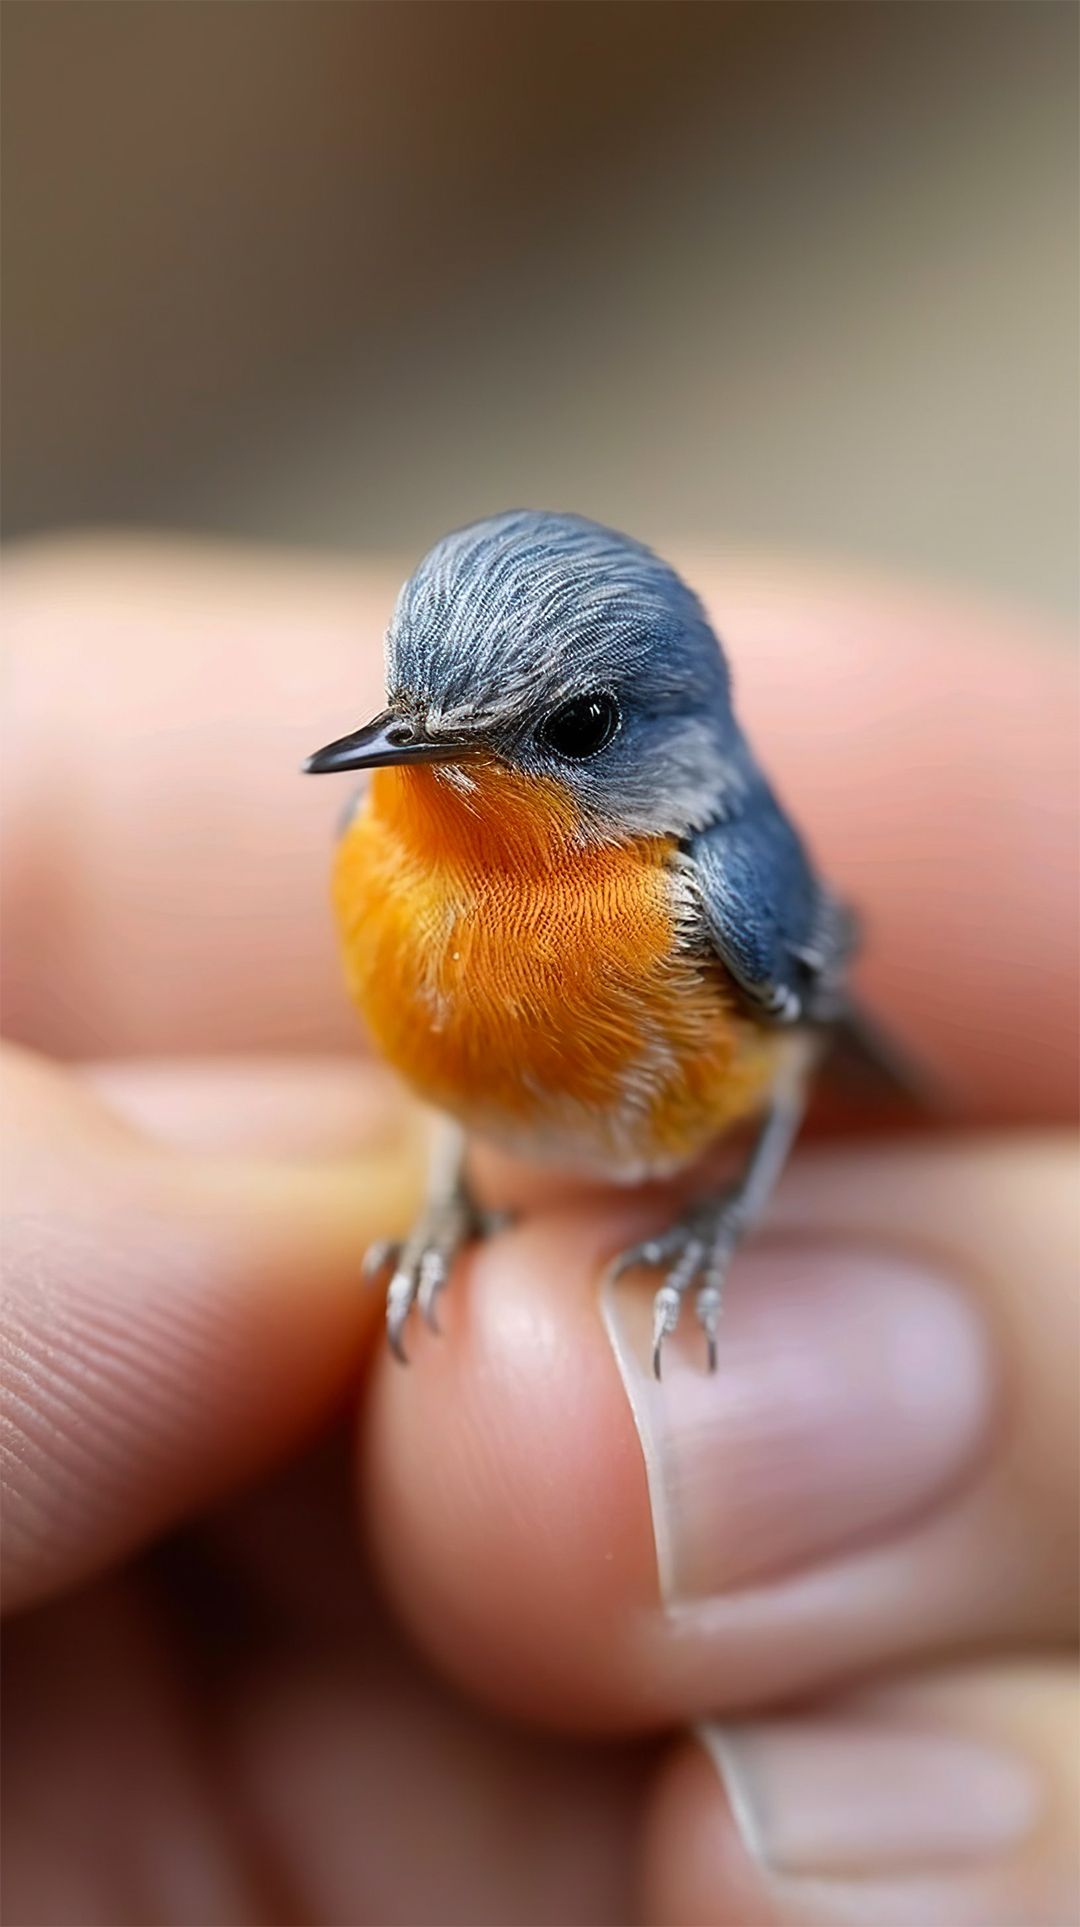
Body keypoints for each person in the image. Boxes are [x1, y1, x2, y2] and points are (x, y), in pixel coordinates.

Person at [2, 536, 1076, 1927]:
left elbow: (797, 1036)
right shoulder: (384, 843)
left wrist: (721, 1224)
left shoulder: (702, 889)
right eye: (412, 708)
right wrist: (447, 1191)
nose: (424, 752)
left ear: (667, 744)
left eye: (565, 733)